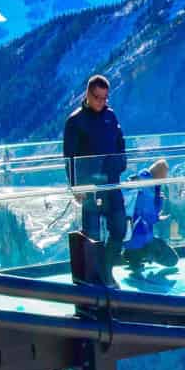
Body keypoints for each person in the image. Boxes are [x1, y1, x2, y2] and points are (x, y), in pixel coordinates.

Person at [64, 75, 129, 284]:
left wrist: (121, 164)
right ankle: (95, 280)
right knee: (92, 236)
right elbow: (69, 157)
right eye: (97, 97)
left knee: (119, 228)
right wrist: (75, 186)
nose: (101, 102)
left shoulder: (111, 116)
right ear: (87, 94)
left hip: (112, 183)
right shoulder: (75, 121)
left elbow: (120, 144)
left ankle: (106, 269)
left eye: (105, 98)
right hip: (90, 188)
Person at [122, 159, 179, 276]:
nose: (165, 179)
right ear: (159, 173)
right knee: (172, 259)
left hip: (134, 234)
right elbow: (149, 215)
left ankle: (135, 257)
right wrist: (158, 217)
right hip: (139, 236)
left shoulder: (143, 179)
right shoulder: (147, 185)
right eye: (164, 176)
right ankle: (139, 256)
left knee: (168, 255)